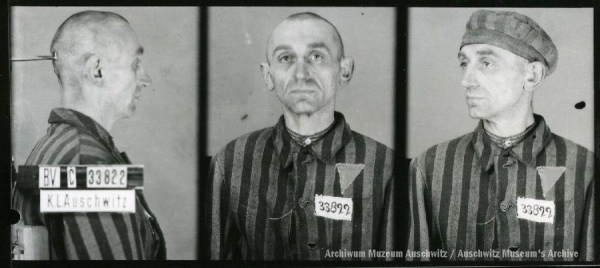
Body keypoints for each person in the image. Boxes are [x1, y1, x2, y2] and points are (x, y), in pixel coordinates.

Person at [407, 9, 594, 261]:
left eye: (486, 62)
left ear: (532, 75)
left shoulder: (586, 169)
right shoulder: (429, 167)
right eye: (464, 63)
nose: (466, 80)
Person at [206, 12, 395, 260]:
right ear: (268, 75)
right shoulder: (230, 163)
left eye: (316, 56)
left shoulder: (385, 166)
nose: (301, 74)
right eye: (286, 58)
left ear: (344, 70)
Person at [13, 11, 165, 260]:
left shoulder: (54, 147)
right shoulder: (89, 165)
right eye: (136, 64)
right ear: (97, 70)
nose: (145, 79)